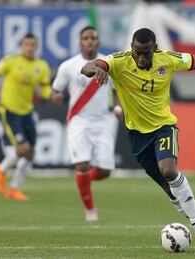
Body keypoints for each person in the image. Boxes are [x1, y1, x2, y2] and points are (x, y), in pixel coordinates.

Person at [81, 28, 195, 251]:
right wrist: (96, 69)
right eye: (137, 52)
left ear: (155, 49)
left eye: (146, 53)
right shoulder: (119, 61)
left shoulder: (168, 59)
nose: (141, 58)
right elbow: (88, 67)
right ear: (131, 48)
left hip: (164, 127)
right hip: (137, 136)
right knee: (169, 190)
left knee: (169, 170)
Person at [51, 26, 122, 221]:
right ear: (80, 42)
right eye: (85, 38)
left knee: (105, 171)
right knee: (82, 164)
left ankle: (82, 180)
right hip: (78, 120)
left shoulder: (109, 63)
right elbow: (56, 90)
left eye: (93, 37)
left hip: (104, 121)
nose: (89, 41)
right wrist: (56, 96)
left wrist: (118, 107)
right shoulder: (68, 66)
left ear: (98, 42)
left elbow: (118, 92)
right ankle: (90, 210)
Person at [0, 33, 51, 201]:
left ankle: (13, 186)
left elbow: (45, 88)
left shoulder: (42, 66)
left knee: (30, 152)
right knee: (21, 149)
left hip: (27, 112)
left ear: (37, 47)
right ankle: (2, 171)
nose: (30, 47)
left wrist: (52, 95)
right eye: (27, 44)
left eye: (33, 44)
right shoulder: (11, 61)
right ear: (21, 46)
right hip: (9, 111)